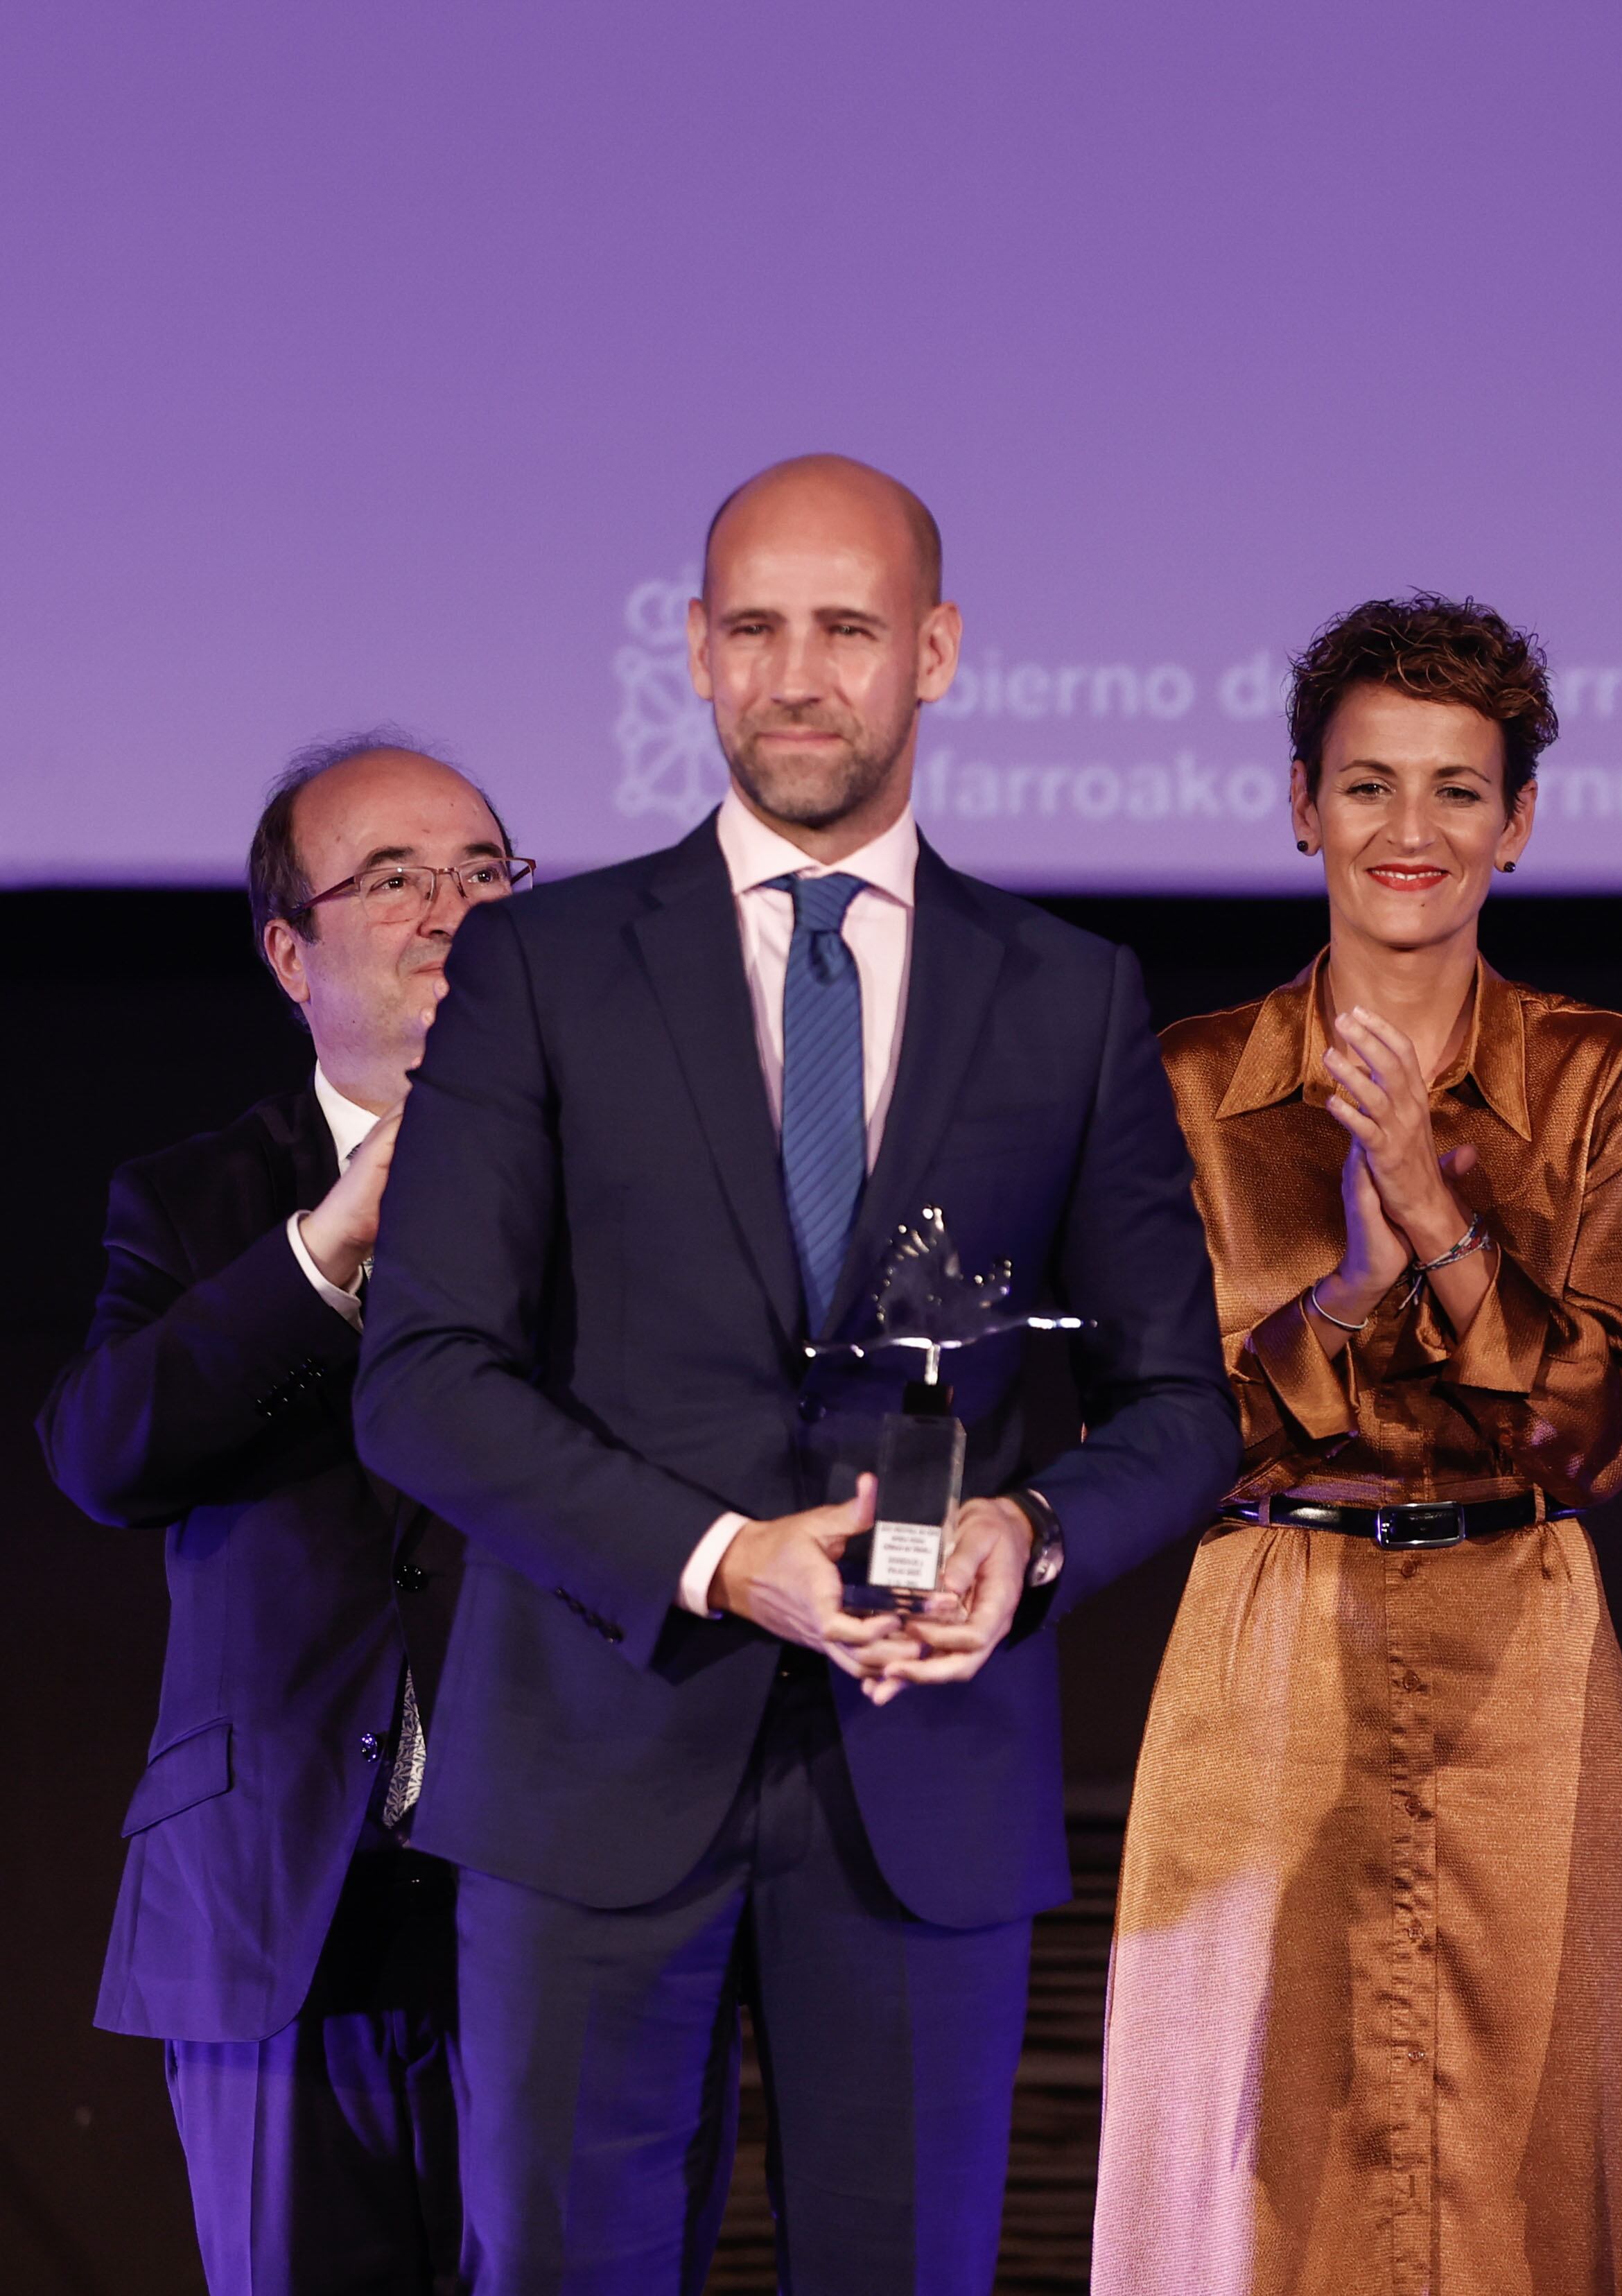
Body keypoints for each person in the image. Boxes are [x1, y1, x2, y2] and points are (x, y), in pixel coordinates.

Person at [352, 454, 1239, 2295]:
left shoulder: (1065, 993)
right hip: (593, 1756)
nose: (798, 674)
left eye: (847, 627)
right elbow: (422, 1375)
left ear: (937, 649)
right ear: (690, 649)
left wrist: (1031, 1532)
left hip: (924, 1782)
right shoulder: (542, 965)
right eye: (753, 627)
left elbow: (1180, 1408)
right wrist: (714, 1554)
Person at [1091, 594, 1622, 2294]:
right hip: (1270, 1635)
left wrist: (1441, 1231)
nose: (1407, 832)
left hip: (1523, 1624)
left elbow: (1602, 1432)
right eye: (1366, 787)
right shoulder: (1193, 1083)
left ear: (1518, 822)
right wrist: (1353, 1283)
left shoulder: (1592, 1072)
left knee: (1534, 2170)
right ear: (1300, 804)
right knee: (1247, 2175)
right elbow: (1176, 1425)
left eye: (1453, 790)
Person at [38, 733, 521, 2293]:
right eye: (392, 879)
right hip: (270, 1910)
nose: (449, 909)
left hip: (554, 1889)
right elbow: (106, 1452)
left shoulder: (632, 1192)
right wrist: (338, 1236)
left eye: (483, 874)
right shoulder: (197, 1201)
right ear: (288, 951)